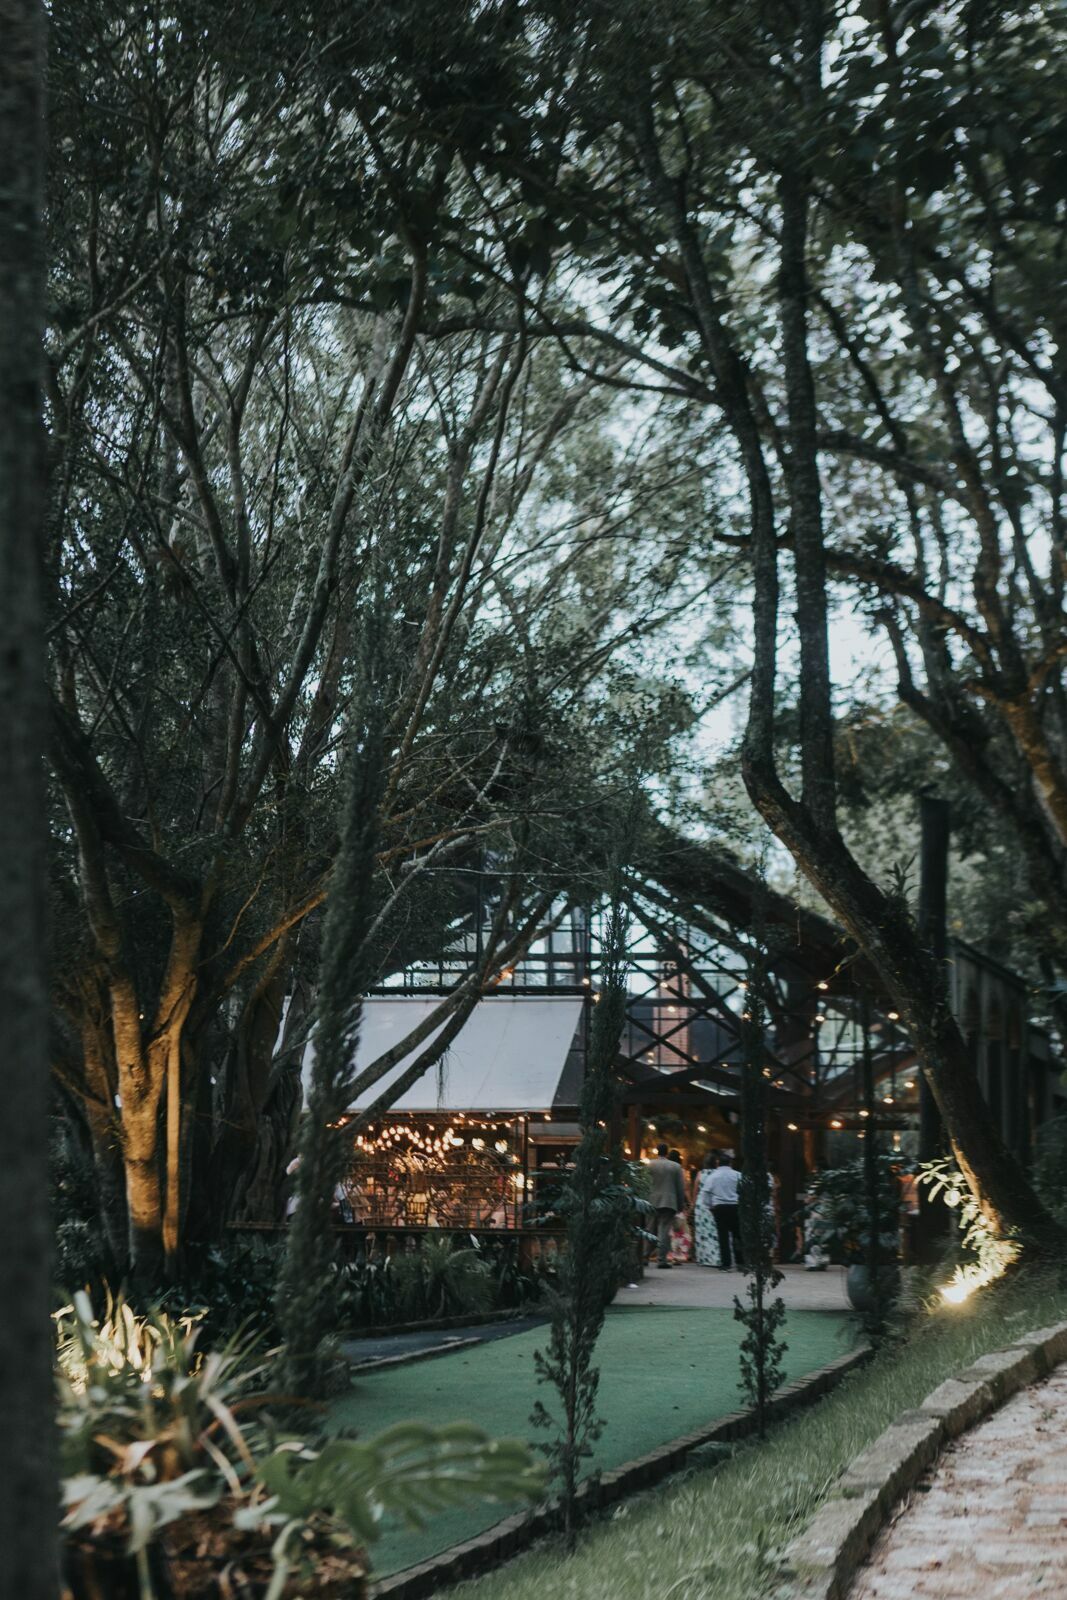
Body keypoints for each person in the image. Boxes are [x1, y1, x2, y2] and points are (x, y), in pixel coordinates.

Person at [647, 1142, 687, 1269]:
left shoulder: (650, 1165)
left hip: (651, 1201)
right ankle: (662, 1259)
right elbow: (680, 1188)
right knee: (664, 1230)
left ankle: (644, 1256)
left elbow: (644, 1183)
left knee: (649, 1230)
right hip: (669, 1202)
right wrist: (680, 1205)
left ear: (657, 1151)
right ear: (667, 1152)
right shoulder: (675, 1166)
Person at [706, 1149, 743, 1269]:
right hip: (735, 1206)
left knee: (723, 1236)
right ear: (730, 1163)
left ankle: (726, 1263)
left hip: (719, 1207)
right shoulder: (737, 1175)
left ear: (718, 1163)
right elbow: (744, 1191)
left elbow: (706, 1193)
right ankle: (740, 1261)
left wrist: (710, 1206)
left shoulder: (713, 1176)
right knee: (738, 1235)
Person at [693, 1152, 721, 1267]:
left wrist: (693, 1204)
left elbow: (695, 1191)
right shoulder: (717, 1174)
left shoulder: (700, 1174)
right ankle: (715, 1258)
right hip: (713, 1204)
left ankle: (702, 1257)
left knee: (702, 1232)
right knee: (714, 1232)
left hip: (701, 1205)